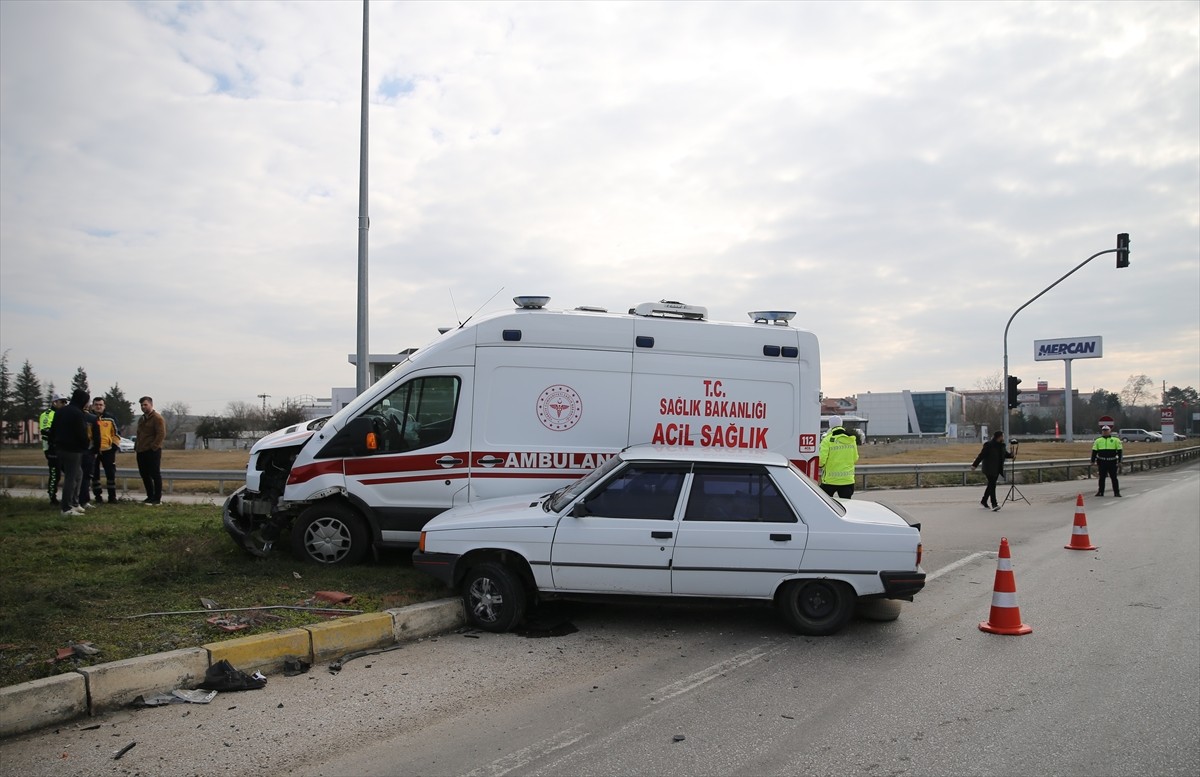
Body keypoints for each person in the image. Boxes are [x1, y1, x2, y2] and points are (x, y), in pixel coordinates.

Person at [50, 389, 91, 516]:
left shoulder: (61, 411)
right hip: (73, 450)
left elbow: (53, 430)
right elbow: (82, 432)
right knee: (71, 478)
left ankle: (74, 502)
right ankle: (66, 508)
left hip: (60, 448)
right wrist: (86, 445)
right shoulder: (77, 413)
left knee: (78, 474)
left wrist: (54, 445)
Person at [136, 395, 167, 505]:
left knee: (155, 474)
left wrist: (154, 447)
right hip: (141, 450)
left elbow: (161, 434)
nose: (143, 407)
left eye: (145, 404)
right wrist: (137, 447)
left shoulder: (157, 418)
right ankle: (150, 496)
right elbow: (139, 434)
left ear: (151, 405)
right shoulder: (141, 419)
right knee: (144, 474)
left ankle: (157, 498)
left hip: (152, 451)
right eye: (141, 405)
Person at [971, 430, 1013, 511]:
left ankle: (984, 501)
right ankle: (994, 504)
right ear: (999, 437)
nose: (1003, 438)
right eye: (1002, 436)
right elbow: (981, 455)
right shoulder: (989, 445)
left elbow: (1005, 454)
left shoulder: (1002, 446)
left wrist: (1011, 455)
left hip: (997, 468)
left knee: (991, 485)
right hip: (989, 468)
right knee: (992, 485)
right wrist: (974, 465)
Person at [818, 416, 859, 499]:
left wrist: (820, 466)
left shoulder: (827, 440)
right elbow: (855, 458)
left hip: (830, 481)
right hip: (847, 480)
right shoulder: (851, 440)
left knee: (826, 505)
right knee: (846, 506)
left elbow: (821, 460)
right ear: (841, 424)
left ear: (830, 425)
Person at [91, 396, 121, 503]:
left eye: (100, 405)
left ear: (104, 406)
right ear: (92, 406)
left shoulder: (110, 418)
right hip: (93, 451)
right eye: (96, 405)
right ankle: (98, 497)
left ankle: (112, 497)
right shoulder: (89, 418)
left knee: (110, 473)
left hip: (108, 450)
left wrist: (114, 447)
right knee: (94, 475)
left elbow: (117, 433)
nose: (98, 407)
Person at [39, 394, 67, 504]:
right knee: (55, 474)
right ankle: (52, 497)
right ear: (55, 402)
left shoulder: (63, 414)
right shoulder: (47, 414)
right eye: (62, 402)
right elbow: (45, 431)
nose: (64, 404)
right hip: (52, 449)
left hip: (64, 448)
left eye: (65, 402)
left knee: (71, 473)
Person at [77, 401, 100, 509]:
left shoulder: (73, 416)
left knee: (74, 477)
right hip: (88, 450)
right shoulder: (92, 418)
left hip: (75, 451)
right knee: (86, 477)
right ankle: (84, 500)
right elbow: (96, 436)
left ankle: (73, 500)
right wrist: (96, 450)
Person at [1091, 425, 1123, 497]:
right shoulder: (1098, 440)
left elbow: (1120, 451)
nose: (1105, 432)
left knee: (1114, 477)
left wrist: (1120, 461)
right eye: (1104, 431)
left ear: (1110, 431)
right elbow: (1094, 451)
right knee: (1101, 478)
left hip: (1112, 461)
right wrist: (1092, 461)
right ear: (1102, 432)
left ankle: (1116, 492)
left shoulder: (1115, 440)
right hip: (1102, 462)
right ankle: (1100, 492)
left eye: (1106, 431)